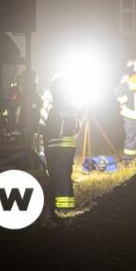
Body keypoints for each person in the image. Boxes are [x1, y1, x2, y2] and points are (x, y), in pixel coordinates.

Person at [42, 74, 81, 212]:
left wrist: (41, 131)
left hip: (56, 146)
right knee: (65, 174)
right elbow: (77, 128)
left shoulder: (55, 109)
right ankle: (68, 205)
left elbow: (50, 129)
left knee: (58, 175)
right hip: (69, 145)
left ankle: (63, 208)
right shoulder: (73, 108)